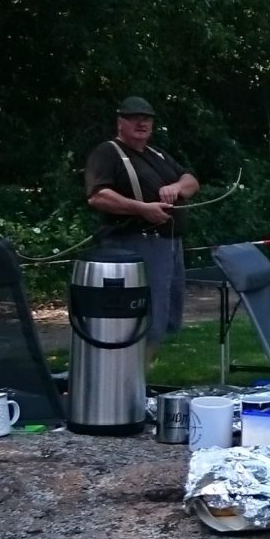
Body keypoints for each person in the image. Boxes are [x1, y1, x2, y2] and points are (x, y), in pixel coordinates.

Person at [82, 95, 199, 350]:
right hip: (134, 245)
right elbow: (98, 196)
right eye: (134, 118)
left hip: (169, 245)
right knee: (143, 321)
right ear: (120, 122)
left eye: (146, 119)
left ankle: (140, 374)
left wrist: (176, 187)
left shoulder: (157, 153)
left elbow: (191, 181)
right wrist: (142, 209)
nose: (141, 123)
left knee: (165, 319)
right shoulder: (107, 153)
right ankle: (128, 374)